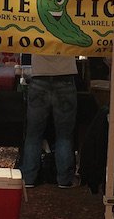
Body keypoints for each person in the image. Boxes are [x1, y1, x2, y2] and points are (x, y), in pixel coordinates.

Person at [20, 52, 79, 188]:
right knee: (64, 135)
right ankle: (64, 179)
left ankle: (29, 177)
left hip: (39, 76)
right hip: (66, 76)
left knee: (33, 134)